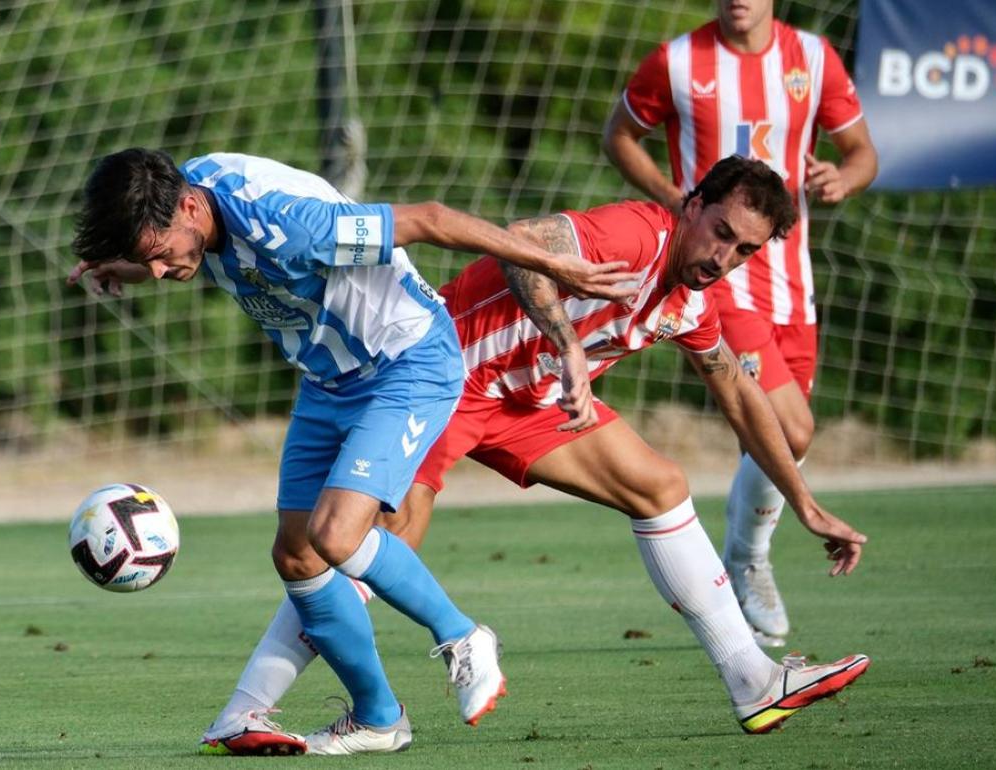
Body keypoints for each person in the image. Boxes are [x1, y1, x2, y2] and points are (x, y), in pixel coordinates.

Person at [203, 156, 870, 746]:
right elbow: (521, 243)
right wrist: (568, 342)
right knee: (368, 541)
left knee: (660, 485)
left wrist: (805, 505)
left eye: (744, 250)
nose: (724, 256)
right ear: (691, 206)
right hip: (449, 377)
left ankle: (754, 679)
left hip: (528, 404)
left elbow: (740, 396)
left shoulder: (694, 302)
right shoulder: (637, 234)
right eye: (721, 232)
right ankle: (254, 708)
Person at [67, 149, 636, 756]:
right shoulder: (181, 198)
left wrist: (551, 263)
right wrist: (121, 264)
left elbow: (432, 219)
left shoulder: (289, 226)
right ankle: (379, 717)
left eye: (158, 256)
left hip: (406, 364)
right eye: (145, 259)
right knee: (297, 557)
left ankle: (464, 636)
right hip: (329, 379)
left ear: (188, 205)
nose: (158, 273)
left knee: (335, 537)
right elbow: (167, 243)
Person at [602, 0, 879, 647]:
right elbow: (619, 134)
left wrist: (845, 177)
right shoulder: (678, 61)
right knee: (791, 425)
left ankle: (745, 555)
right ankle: (748, 558)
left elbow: (862, 152)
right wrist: (678, 200)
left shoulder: (812, 59)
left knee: (787, 439)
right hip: (724, 281)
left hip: (794, 286)